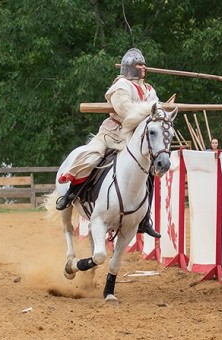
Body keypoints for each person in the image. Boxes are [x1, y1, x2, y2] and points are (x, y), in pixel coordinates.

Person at [55, 48, 161, 238]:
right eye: (139, 65)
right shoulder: (120, 86)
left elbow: (155, 111)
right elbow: (125, 109)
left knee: (148, 172)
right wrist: (149, 110)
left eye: (144, 65)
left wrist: (156, 111)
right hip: (112, 133)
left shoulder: (149, 90)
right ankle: (71, 193)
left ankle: (144, 219)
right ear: (130, 67)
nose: (143, 68)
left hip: (136, 136)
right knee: (92, 157)